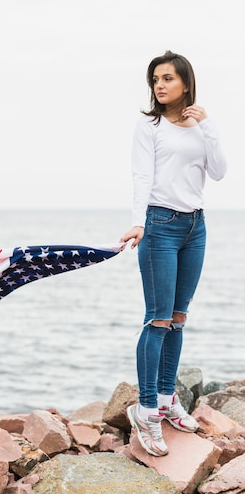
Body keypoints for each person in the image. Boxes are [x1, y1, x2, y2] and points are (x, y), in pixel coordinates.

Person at [120, 50, 227, 457]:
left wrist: (209, 126)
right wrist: (138, 220)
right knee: (158, 319)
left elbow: (218, 171)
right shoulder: (149, 125)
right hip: (159, 226)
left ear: (186, 82)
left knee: (179, 319)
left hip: (195, 226)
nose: (159, 86)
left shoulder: (201, 126)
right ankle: (146, 409)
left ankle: (167, 399)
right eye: (155, 80)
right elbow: (141, 175)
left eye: (167, 78)